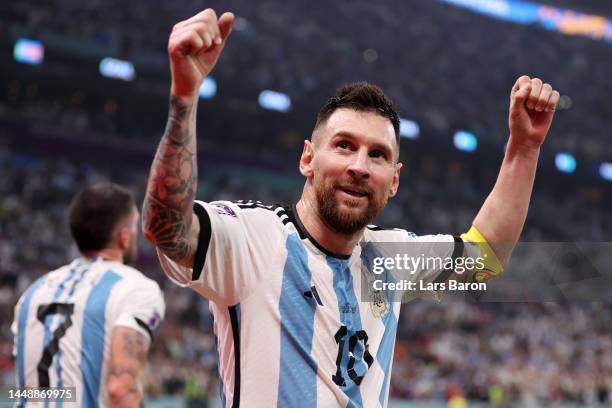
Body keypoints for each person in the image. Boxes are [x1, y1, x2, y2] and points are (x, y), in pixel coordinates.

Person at [142, 8, 560, 407]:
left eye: (377, 155)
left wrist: (524, 149)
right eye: (344, 146)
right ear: (308, 158)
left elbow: (486, 255)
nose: (359, 166)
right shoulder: (255, 239)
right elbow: (166, 228)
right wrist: (184, 97)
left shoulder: (390, 259)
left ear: (394, 180)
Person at [12, 183, 165, 408]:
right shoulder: (136, 288)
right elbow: (120, 390)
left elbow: (26, 391)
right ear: (123, 237)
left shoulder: (32, 293)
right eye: (134, 226)